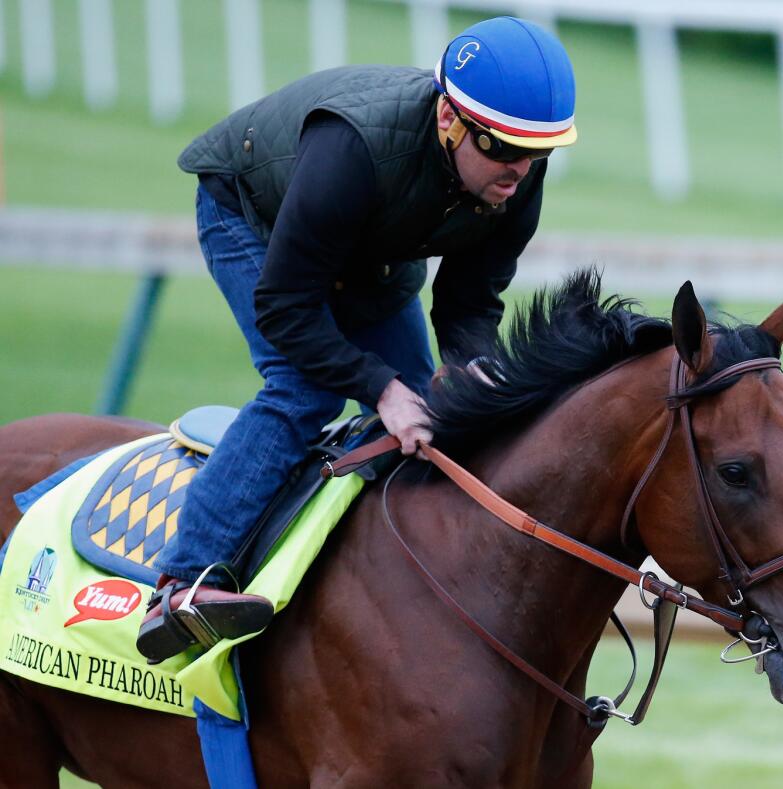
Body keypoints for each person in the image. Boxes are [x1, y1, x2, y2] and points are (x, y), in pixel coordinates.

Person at [135, 16, 577, 663]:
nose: (519, 171)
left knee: (433, 414)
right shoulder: (352, 150)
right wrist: (379, 386)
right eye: (503, 149)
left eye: (537, 154)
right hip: (251, 212)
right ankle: (183, 585)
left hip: (371, 243)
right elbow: (286, 306)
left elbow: (468, 302)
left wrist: (471, 367)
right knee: (303, 388)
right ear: (450, 119)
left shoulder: (518, 178)